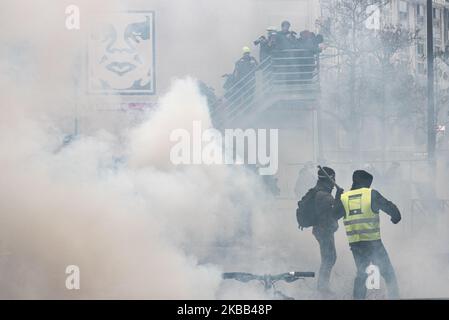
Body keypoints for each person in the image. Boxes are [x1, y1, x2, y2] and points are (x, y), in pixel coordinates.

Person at [334, 170, 401, 300]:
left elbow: (333, 215)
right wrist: (395, 218)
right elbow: (390, 207)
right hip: (373, 243)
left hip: (355, 244)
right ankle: (395, 297)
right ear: (365, 182)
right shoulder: (371, 194)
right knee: (388, 273)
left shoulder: (344, 197)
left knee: (362, 273)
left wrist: (338, 197)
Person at [312, 166, 343, 296]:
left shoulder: (321, 192)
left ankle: (322, 286)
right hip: (324, 230)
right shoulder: (323, 195)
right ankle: (322, 288)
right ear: (329, 180)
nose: (334, 181)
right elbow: (336, 212)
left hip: (324, 230)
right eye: (333, 179)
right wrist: (339, 196)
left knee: (329, 258)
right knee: (329, 258)